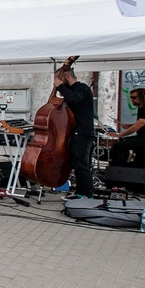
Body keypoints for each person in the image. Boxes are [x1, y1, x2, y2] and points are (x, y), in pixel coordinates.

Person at [55, 66, 95, 199]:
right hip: (75, 131)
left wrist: (60, 87)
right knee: (76, 163)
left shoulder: (82, 88)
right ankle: (80, 192)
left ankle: (87, 193)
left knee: (81, 163)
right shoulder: (72, 90)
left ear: (67, 76)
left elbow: (74, 98)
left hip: (83, 132)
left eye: (59, 79)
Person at [108, 88, 145, 167]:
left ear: (142, 97)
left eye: (134, 97)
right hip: (143, 137)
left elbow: (137, 126)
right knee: (121, 142)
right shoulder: (141, 109)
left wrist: (119, 135)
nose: (132, 100)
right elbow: (144, 124)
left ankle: (119, 170)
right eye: (131, 97)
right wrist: (130, 125)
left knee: (119, 146)